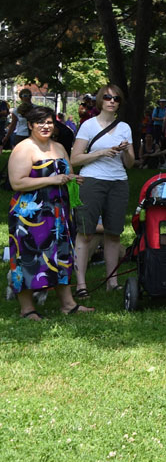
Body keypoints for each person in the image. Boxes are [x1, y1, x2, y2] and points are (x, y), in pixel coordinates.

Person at [8, 106, 93, 319]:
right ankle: (27, 309)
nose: (46, 126)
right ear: (30, 125)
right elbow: (17, 182)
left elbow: (67, 172)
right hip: (31, 215)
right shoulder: (23, 149)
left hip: (58, 212)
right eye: (40, 123)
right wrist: (51, 180)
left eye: (49, 122)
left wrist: (72, 179)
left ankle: (68, 304)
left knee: (60, 255)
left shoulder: (59, 147)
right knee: (28, 257)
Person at [70, 85, 135, 297]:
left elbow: (130, 163)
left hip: (118, 182)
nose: (112, 101)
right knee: (85, 233)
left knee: (114, 234)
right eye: (107, 97)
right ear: (100, 100)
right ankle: (81, 285)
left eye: (116, 98)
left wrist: (126, 150)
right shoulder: (88, 125)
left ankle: (112, 282)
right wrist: (101, 153)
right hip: (92, 181)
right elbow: (75, 159)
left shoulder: (124, 127)